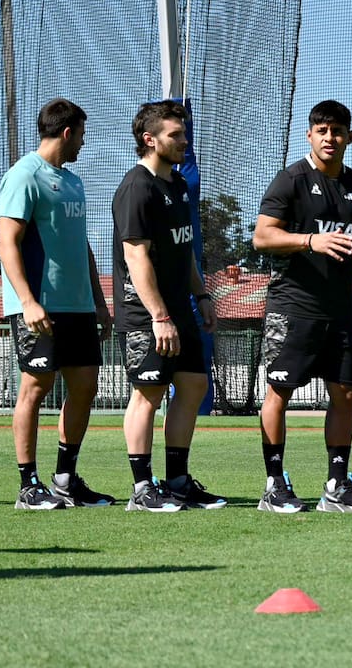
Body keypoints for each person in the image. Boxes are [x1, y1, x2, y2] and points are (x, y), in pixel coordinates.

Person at [252, 99, 352, 512]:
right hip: (293, 306)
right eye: (322, 131)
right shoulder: (291, 180)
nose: (330, 138)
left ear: (350, 136)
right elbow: (262, 237)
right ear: (310, 135)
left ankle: (337, 484)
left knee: (345, 393)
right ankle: (275, 485)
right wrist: (311, 240)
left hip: (340, 309)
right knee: (279, 390)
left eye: (338, 131)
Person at [0, 98, 115, 510]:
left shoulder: (73, 181)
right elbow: (7, 243)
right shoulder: (24, 175)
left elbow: (81, 245)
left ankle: (65, 479)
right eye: (81, 136)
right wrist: (28, 301)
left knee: (86, 386)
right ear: (67, 133)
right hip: (39, 305)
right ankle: (28, 485)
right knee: (35, 386)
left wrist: (99, 301)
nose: (83, 144)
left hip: (78, 306)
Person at [112, 100, 224, 512]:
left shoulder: (177, 185)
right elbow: (136, 258)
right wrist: (159, 316)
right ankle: (142, 489)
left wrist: (202, 295)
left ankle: (176, 481)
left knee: (193, 384)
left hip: (181, 309)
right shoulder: (136, 188)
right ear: (150, 140)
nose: (184, 141)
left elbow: (185, 251)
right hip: (147, 315)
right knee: (149, 393)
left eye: (183, 133)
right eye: (175, 135)